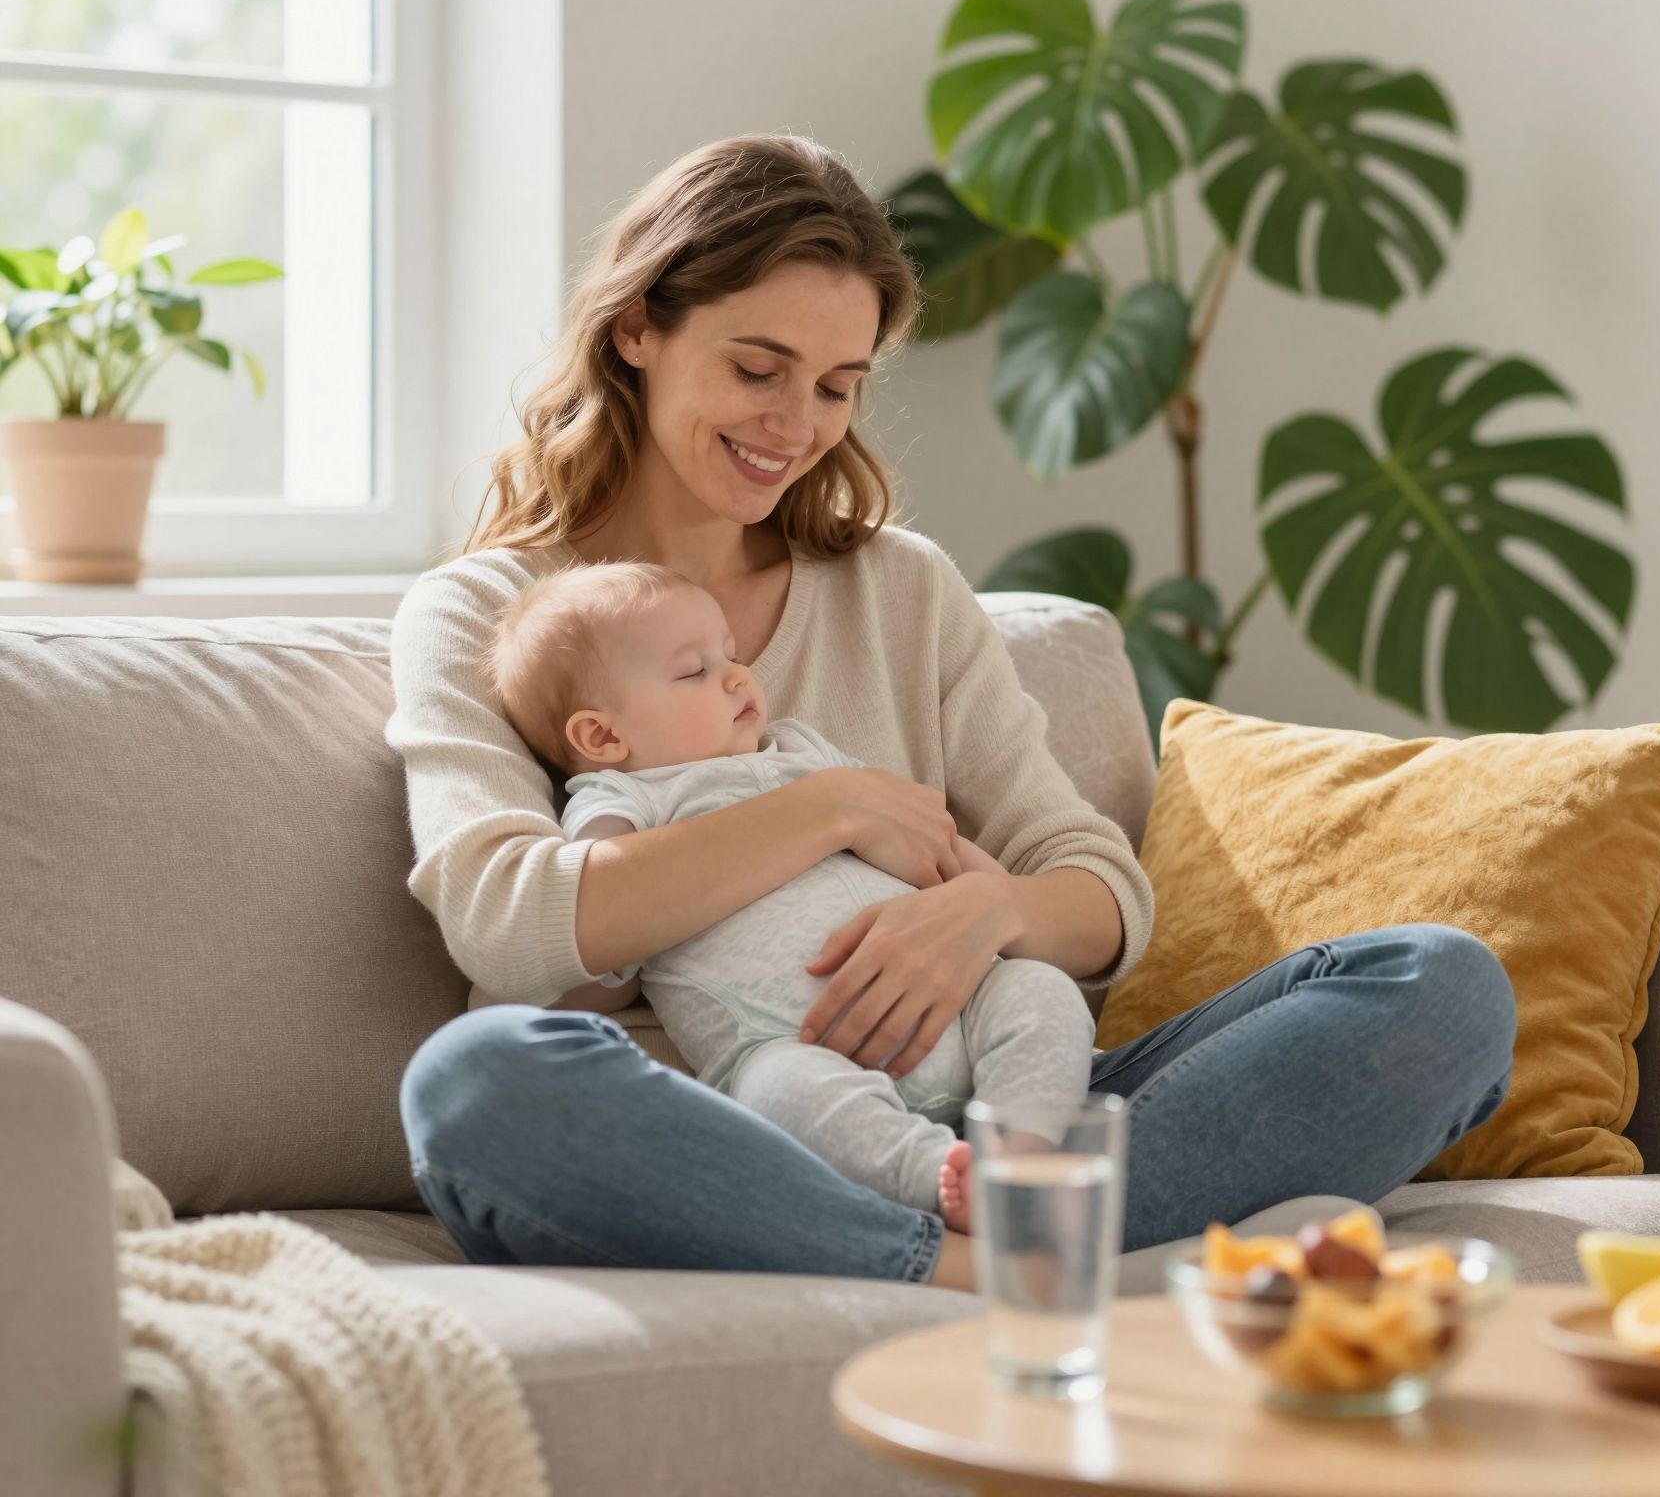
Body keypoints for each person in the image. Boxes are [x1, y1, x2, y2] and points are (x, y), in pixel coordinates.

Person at [388, 132, 1517, 1292]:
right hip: (719, 1130)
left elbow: (1098, 889)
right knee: (476, 1083)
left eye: (836, 387)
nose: (795, 423)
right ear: (638, 330)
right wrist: (832, 807)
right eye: (756, 368)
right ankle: (989, 1266)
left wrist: (978, 916)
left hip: (991, 1113)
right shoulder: (485, 610)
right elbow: (508, 924)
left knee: (1437, 985)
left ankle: (1005, 1230)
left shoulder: (900, 589)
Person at [484, 558, 1097, 1231]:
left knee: (1039, 989)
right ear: (602, 735)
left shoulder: (801, 752)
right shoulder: (622, 804)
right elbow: (591, 940)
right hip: (794, 1047)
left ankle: (1020, 1157)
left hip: (966, 1006)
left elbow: (934, 843)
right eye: (694, 671)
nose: (736, 676)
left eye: (732, 655)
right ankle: (937, 1178)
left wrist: (993, 900)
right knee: (776, 1090)